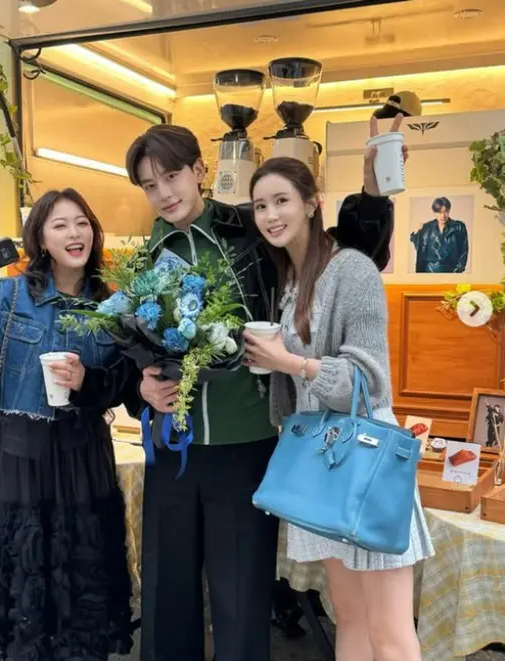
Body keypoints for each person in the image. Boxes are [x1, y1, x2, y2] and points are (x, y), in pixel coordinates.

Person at [124, 116, 404, 661]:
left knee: (241, 591)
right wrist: (141, 387)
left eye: (172, 177)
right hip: (172, 445)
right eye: (149, 185)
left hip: (246, 441)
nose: (163, 194)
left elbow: (338, 253)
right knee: (166, 591)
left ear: (200, 170)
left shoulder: (248, 231)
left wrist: (372, 198)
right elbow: (127, 351)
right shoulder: (144, 258)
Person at [0, 188, 141, 661]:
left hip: (81, 457)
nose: (74, 233)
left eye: (82, 223)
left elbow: (123, 383)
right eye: (60, 225)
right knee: (18, 570)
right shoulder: (5, 296)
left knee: (77, 571)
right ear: (41, 239)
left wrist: (88, 382)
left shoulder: (112, 307)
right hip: (15, 460)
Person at [243, 156, 434, 661]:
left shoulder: (353, 269)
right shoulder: (288, 279)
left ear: (312, 203)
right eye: (260, 206)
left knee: (390, 630)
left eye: (281, 201)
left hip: (368, 458)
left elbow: (368, 382)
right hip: (322, 459)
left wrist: (289, 362)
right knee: (348, 617)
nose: (270, 215)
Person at [410, 196, 469, 273]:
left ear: (449, 211)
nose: (443, 216)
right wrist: (417, 233)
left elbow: (464, 251)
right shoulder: (427, 227)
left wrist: (457, 271)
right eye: (440, 212)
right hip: (430, 271)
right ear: (434, 212)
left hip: (451, 271)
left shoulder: (459, 227)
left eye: (446, 212)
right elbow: (421, 250)